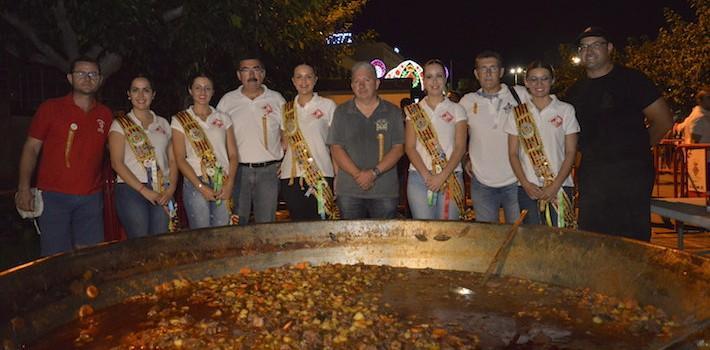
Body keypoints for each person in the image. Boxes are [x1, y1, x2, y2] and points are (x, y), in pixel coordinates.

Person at [566, 27, 673, 241]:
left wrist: (639, 149)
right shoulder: (575, 92)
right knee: (593, 238)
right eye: (584, 47)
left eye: (596, 44)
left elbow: (663, 120)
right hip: (593, 178)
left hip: (631, 177)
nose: (589, 51)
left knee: (632, 241)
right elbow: (575, 139)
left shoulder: (632, 80)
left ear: (610, 48)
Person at [15, 57, 112, 256]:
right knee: (56, 258)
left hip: (91, 197)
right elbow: (31, 148)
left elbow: (115, 151)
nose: (87, 78)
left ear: (100, 79)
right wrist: (24, 188)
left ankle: (87, 289)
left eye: (93, 74)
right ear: (70, 78)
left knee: (91, 256)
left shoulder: (105, 114)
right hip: (54, 197)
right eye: (81, 73)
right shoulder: (50, 108)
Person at [505, 61, 580, 227]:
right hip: (528, 189)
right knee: (531, 242)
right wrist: (525, 183)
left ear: (552, 81)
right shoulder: (517, 113)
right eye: (533, 79)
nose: (539, 84)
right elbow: (512, 154)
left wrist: (555, 186)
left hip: (560, 187)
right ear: (526, 82)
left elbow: (570, 152)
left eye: (544, 79)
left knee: (559, 242)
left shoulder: (566, 110)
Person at [327, 61, 405, 219]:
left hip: (384, 190)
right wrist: (358, 175)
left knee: (383, 240)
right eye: (357, 81)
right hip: (350, 190)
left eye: (367, 80)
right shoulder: (341, 112)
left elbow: (398, 148)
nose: (361, 85)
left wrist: (373, 173)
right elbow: (336, 147)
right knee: (352, 240)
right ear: (351, 85)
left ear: (377, 83)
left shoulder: (392, 112)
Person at [217, 57, 285, 225]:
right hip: (238, 172)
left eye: (256, 69)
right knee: (237, 222)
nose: (251, 74)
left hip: (269, 171)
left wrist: (285, 162)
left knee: (266, 223)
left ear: (263, 74)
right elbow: (217, 137)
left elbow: (287, 135)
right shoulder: (227, 101)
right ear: (239, 75)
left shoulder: (277, 100)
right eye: (246, 70)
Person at [108, 76, 178, 237]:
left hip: (162, 187)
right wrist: (144, 191)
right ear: (129, 94)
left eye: (146, 90)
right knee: (139, 241)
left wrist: (171, 188)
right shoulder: (120, 124)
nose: (141, 95)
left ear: (153, 94)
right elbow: (116, 163)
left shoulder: (163, 123)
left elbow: (173, 160)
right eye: (135, 90)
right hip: (131, 188)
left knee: (161, 239)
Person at [459, 51, 520, 223]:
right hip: (482, 182)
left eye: (492, 68)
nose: (488, 73)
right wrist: (465, 159)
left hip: (517, 181)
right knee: (487, 238)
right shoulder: (467, 102)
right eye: (483, 69)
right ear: (476, 73)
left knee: (519, 236)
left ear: (501, 72)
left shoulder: (519, 95)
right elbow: (456, 137)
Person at [172, 73, 238, 228]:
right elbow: (180, 158)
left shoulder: (223, 118)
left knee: (222, 232)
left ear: (213, 92)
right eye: (198, 88)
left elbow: (233, 155)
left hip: (222, 180)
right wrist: (200, 186)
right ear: (190, 91)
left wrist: (230, 183)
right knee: (201, 233)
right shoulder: (180, 120)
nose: (203, 92)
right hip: (196, 180)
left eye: (207, 88)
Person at [404, 59, 468, 220]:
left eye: (439, 76)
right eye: (429, 77)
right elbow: (410, 147)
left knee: (448, 233)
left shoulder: (457, 109)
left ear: (445, 79)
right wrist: (427, 176)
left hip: (451, 176)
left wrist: (442, 176)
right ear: (423, 80)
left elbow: (460, 147)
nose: (434, 81)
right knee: (425, 232)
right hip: (419, 178)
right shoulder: (414, 110)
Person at [280, 64, 338, 220]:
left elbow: (335, 145)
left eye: (308, 76)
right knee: (298, 224)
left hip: (322, 172)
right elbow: (284, 143)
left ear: (315, 80)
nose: (303, 81)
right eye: (299, 77)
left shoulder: (328, 105)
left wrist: (338, 175)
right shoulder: (286, 109)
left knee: (322, 221)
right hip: (291, 176)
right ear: (293, 81)